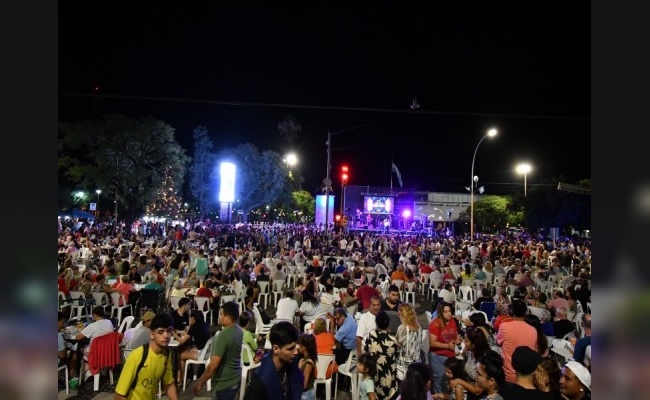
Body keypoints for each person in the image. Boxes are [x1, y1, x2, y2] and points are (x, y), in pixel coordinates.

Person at [114, 312, 179, 400]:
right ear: (152, 335)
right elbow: (119, 395)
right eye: (160, 332)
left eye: (169, 330)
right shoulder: (138, 355)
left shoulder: (166, 354)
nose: (166, 336)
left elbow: (168, 384)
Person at [193, 301, 243, 400]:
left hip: (223, 385)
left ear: (228, 317)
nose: (219, 316)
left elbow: (213, 366)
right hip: (235, 378)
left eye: (221, 314)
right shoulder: (238, 330)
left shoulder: (222, 336)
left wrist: (200, 382)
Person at [243, 321, 303, 400]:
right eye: (290, 349)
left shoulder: (291, 367)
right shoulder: (260, 381)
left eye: (295, 347)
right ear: (276, 349)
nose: (296, 352)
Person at [495, 299, 538, 384]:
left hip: (508, 376)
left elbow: (498, 342)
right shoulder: (533, 330)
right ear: (525, 312)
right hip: (527, 378)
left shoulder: (504, 326)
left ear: (512, 311)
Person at [363, 310, 399, 400]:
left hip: (375, 374)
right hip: (388, 376)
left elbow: (366, 350)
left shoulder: (371, 336)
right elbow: (397, 355)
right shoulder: (392, 340)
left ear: (377, 323)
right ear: (388, 323)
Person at [428, 301, 462, 394]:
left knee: (448, 380)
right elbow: (432, 343)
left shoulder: (452, 321)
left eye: (449, 311)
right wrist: (447, 346)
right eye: (445, 312)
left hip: (450, 355)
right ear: (440, 312)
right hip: (437, 356)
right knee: (439, 380)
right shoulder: (435, 323)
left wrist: (457, 340)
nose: (448, 314)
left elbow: (455, 334)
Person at [75, 305, 115, 380]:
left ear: (95, 315)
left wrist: (83, 330)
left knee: (80, 348)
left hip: (96, 353)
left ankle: (85, 371)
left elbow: (78, 337)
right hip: (108, 351)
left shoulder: (93, 325)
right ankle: (89, 370)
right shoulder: (109, 322)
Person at [173, 309, 211, 383]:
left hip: (201, 354)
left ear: (193, 319)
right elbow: (187, 333)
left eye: (190, 318)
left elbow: (181, 341)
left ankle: (181, 379)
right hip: (206, 351)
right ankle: (180, 375)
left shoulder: (195, 327)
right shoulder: (203, 324)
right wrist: (181, 332)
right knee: (186, 348)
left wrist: (174, 335)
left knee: (180, 356)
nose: (189, 319)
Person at [396, 303, 422, 368]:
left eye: (399, 314)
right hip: (417, 363)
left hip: (405, 364)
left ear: (402, 314)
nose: (398, 316)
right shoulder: (419, 327)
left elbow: (399, 344)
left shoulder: (402, 328)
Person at [297, 333, 317, 400]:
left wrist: (299, 369)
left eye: (299, 345)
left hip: (306, 395)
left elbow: (304, 386)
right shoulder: (303, 360)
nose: (298, 347)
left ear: (303, 347)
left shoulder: (308, 364)